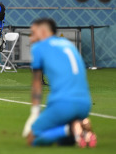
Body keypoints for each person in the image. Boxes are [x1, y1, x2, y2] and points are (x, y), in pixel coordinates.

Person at [22, 18, 97, 148]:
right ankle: (78, 128)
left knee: (32, 139)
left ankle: (72, 128)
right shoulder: (68, 45)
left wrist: (35, 112)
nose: (31, 38)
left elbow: (37, 83)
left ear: (43, 32)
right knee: (64, 142)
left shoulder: (39, 47)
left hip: (63, 104)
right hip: (85, 104)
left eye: (33, 33)